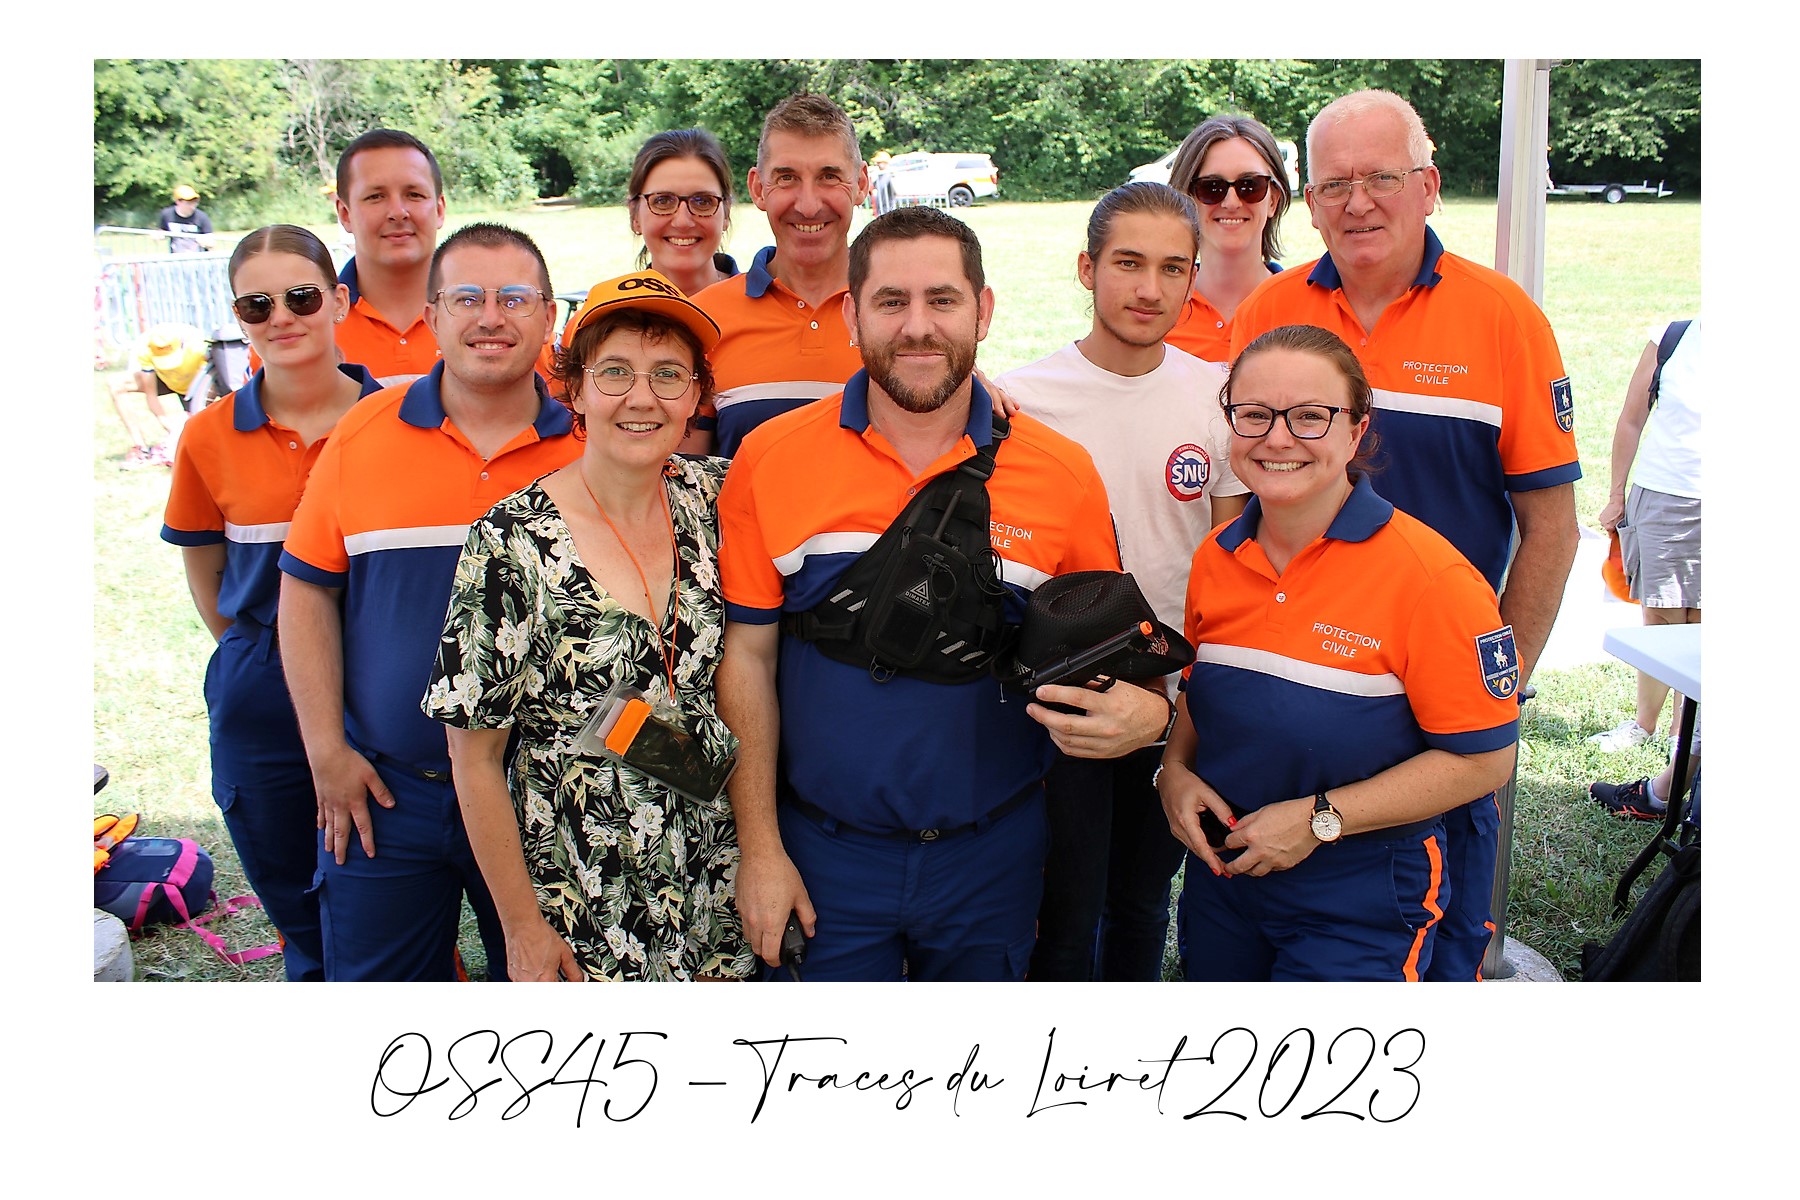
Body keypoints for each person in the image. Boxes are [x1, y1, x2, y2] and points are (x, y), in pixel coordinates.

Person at [716, 206, 1170, 982]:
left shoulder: (1061, 474)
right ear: (853, 314)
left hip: (992, 857)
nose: (918, 327)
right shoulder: (772, 458)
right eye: (891, 301)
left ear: (983, 311)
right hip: (823, 855)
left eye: (943, 300)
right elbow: (748, 658)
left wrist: (1151, 713)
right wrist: (760, 848)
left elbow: (1113, 660)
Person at [1230, 89, 1580, 982]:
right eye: (1334, 184)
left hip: (1435, 712)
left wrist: (1502, 678)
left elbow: (1551, 525)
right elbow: (1239, 495)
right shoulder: (1269, 311)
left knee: (1439, 946)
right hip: (1295, 699)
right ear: (1309, 204)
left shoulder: (1503, 318)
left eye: (1381, 178)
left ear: (1428, 186)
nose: (1358, 203)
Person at [1158, 324, 1520, 981]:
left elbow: (1485, 760)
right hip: (1227, 880)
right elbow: (1200, 688)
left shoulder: (1432, 579)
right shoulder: (1217, 557)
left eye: (1310, 416)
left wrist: (1322, 819)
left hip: (1365, 889)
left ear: (1357, 430)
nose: (1277, 438)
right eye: (1254, 414)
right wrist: (1175, 772)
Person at [423, 271, 752, 982]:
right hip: (585, 893)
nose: (643, 397)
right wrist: (522, 927)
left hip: (720, 882)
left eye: (669, 374)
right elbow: (474, 759)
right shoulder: (510, 541)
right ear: (573, 387)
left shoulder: (721, 498)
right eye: (615, 372)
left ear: (698, 393)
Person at [278, 222, 579, 981]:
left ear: (549, 316)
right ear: (433, 315)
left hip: (547, 798)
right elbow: (305, 592)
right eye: (467, 298)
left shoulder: (590, 442)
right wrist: (326, 752)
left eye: (515, 298)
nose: (491, 318)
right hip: (387, 796)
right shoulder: (364, 431)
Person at [995, 181, 1249, 982]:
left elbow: (1229, 562)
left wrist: (1191, 699)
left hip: (1168, 695)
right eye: (1128, 263)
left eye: (1173, 268)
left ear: (1193, 277)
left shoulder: (1215, 397)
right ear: (1087, 269)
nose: (1150, 288)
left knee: (1141, 903)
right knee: (1064, 913)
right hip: (1059, 698)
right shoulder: (1024, 399)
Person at [160, 225, 383, 982]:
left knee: (382, 894)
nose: (281, 317)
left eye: (301, 297)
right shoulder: (207, 436)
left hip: (383, 684)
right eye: (258, 305)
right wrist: (270, 656)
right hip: (262, 688)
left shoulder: (400, 419)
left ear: (339, 302)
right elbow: (209, 582)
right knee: (293, 894)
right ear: (239, 317)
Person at [691, 93, 869, 457]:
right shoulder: (703, 319)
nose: (808, 205)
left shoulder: (902, 312)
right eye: (787, 178)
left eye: (829, 177)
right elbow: (685, 476)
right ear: (758, 188)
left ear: (861, 184)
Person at [1589, 317, 1702, 820]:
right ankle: (1645, 725)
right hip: (1662, 496)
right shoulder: (1673, 337)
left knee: (1702, 631)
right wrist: (1616, 495)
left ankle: (1684, 746)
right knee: (1660, 620)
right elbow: (1632, 419)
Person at [537, 130, 742, 391]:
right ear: (635, 215)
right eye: (663, 201)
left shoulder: (769, 312)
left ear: (726, 213)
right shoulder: (593, 321)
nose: (683, 221)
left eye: (703, 201)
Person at [1162, 115, 1290, 364]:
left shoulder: (1308, 310)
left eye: (1250, 185)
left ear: (1273, 200)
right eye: (1212, 187)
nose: (1231, 203)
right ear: (1187, 199)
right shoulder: (1156, 309)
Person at [328, 128, 447, 382]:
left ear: (439, 209)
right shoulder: (307, 324)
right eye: (376, 197)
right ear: (345, 214)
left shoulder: (493, 315)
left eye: (414, 194)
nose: (398, 212)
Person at [110, 323, 206, 466]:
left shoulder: (197, 348)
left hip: (196, 387)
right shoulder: (146, 351)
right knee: (116, 383)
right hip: (167, 382)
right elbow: (151, 394)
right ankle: (140, 448)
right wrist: (169, 427)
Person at [157, 184, 213, 253]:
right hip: (176, 257)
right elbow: (163, 232)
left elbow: (211, 243)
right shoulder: (167, 214)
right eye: (188, 203)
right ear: (178, 202)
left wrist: (205, 242)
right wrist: (159, 235)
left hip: (198, 257)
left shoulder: (202, 217)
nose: (192, 206)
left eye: (194, 202)